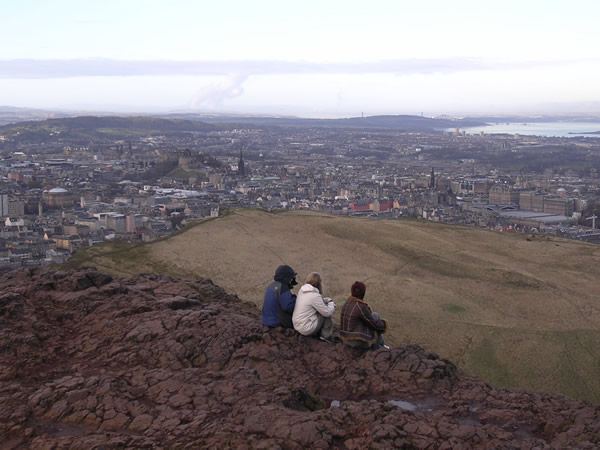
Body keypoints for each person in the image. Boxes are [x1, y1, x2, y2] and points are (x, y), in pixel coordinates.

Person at [339, 281, 388, 350]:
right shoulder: (360, 306)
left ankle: (381, 345)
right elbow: (373, 324)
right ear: (363, 293)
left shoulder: (347, 303)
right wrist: (384, 324)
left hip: (344, 339)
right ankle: (379, 346)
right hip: (355, 342)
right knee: (376, 316)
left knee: (373, 317)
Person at [292, 272, 335, 339]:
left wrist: (325, 300)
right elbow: (327, 313)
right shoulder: (314, 295)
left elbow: (313, 301)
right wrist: (331, 303)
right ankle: (325, 335)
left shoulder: (302, 290)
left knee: (321, 309)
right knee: (325, 312)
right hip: (306, 328)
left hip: (297, 325)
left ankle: (320, 332)